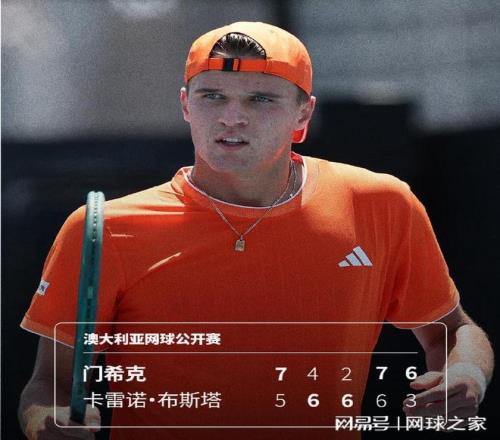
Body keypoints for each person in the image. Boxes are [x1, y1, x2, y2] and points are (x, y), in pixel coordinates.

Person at [18, 21, 493, 440]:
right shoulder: (103, 229)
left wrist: (466, 373)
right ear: (186, 105)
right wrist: (46, 421)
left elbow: (452, 331)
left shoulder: (381, 203)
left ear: (303, 114)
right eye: (212, 96)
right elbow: (48, 384)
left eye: (260, 99)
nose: (232, 117)